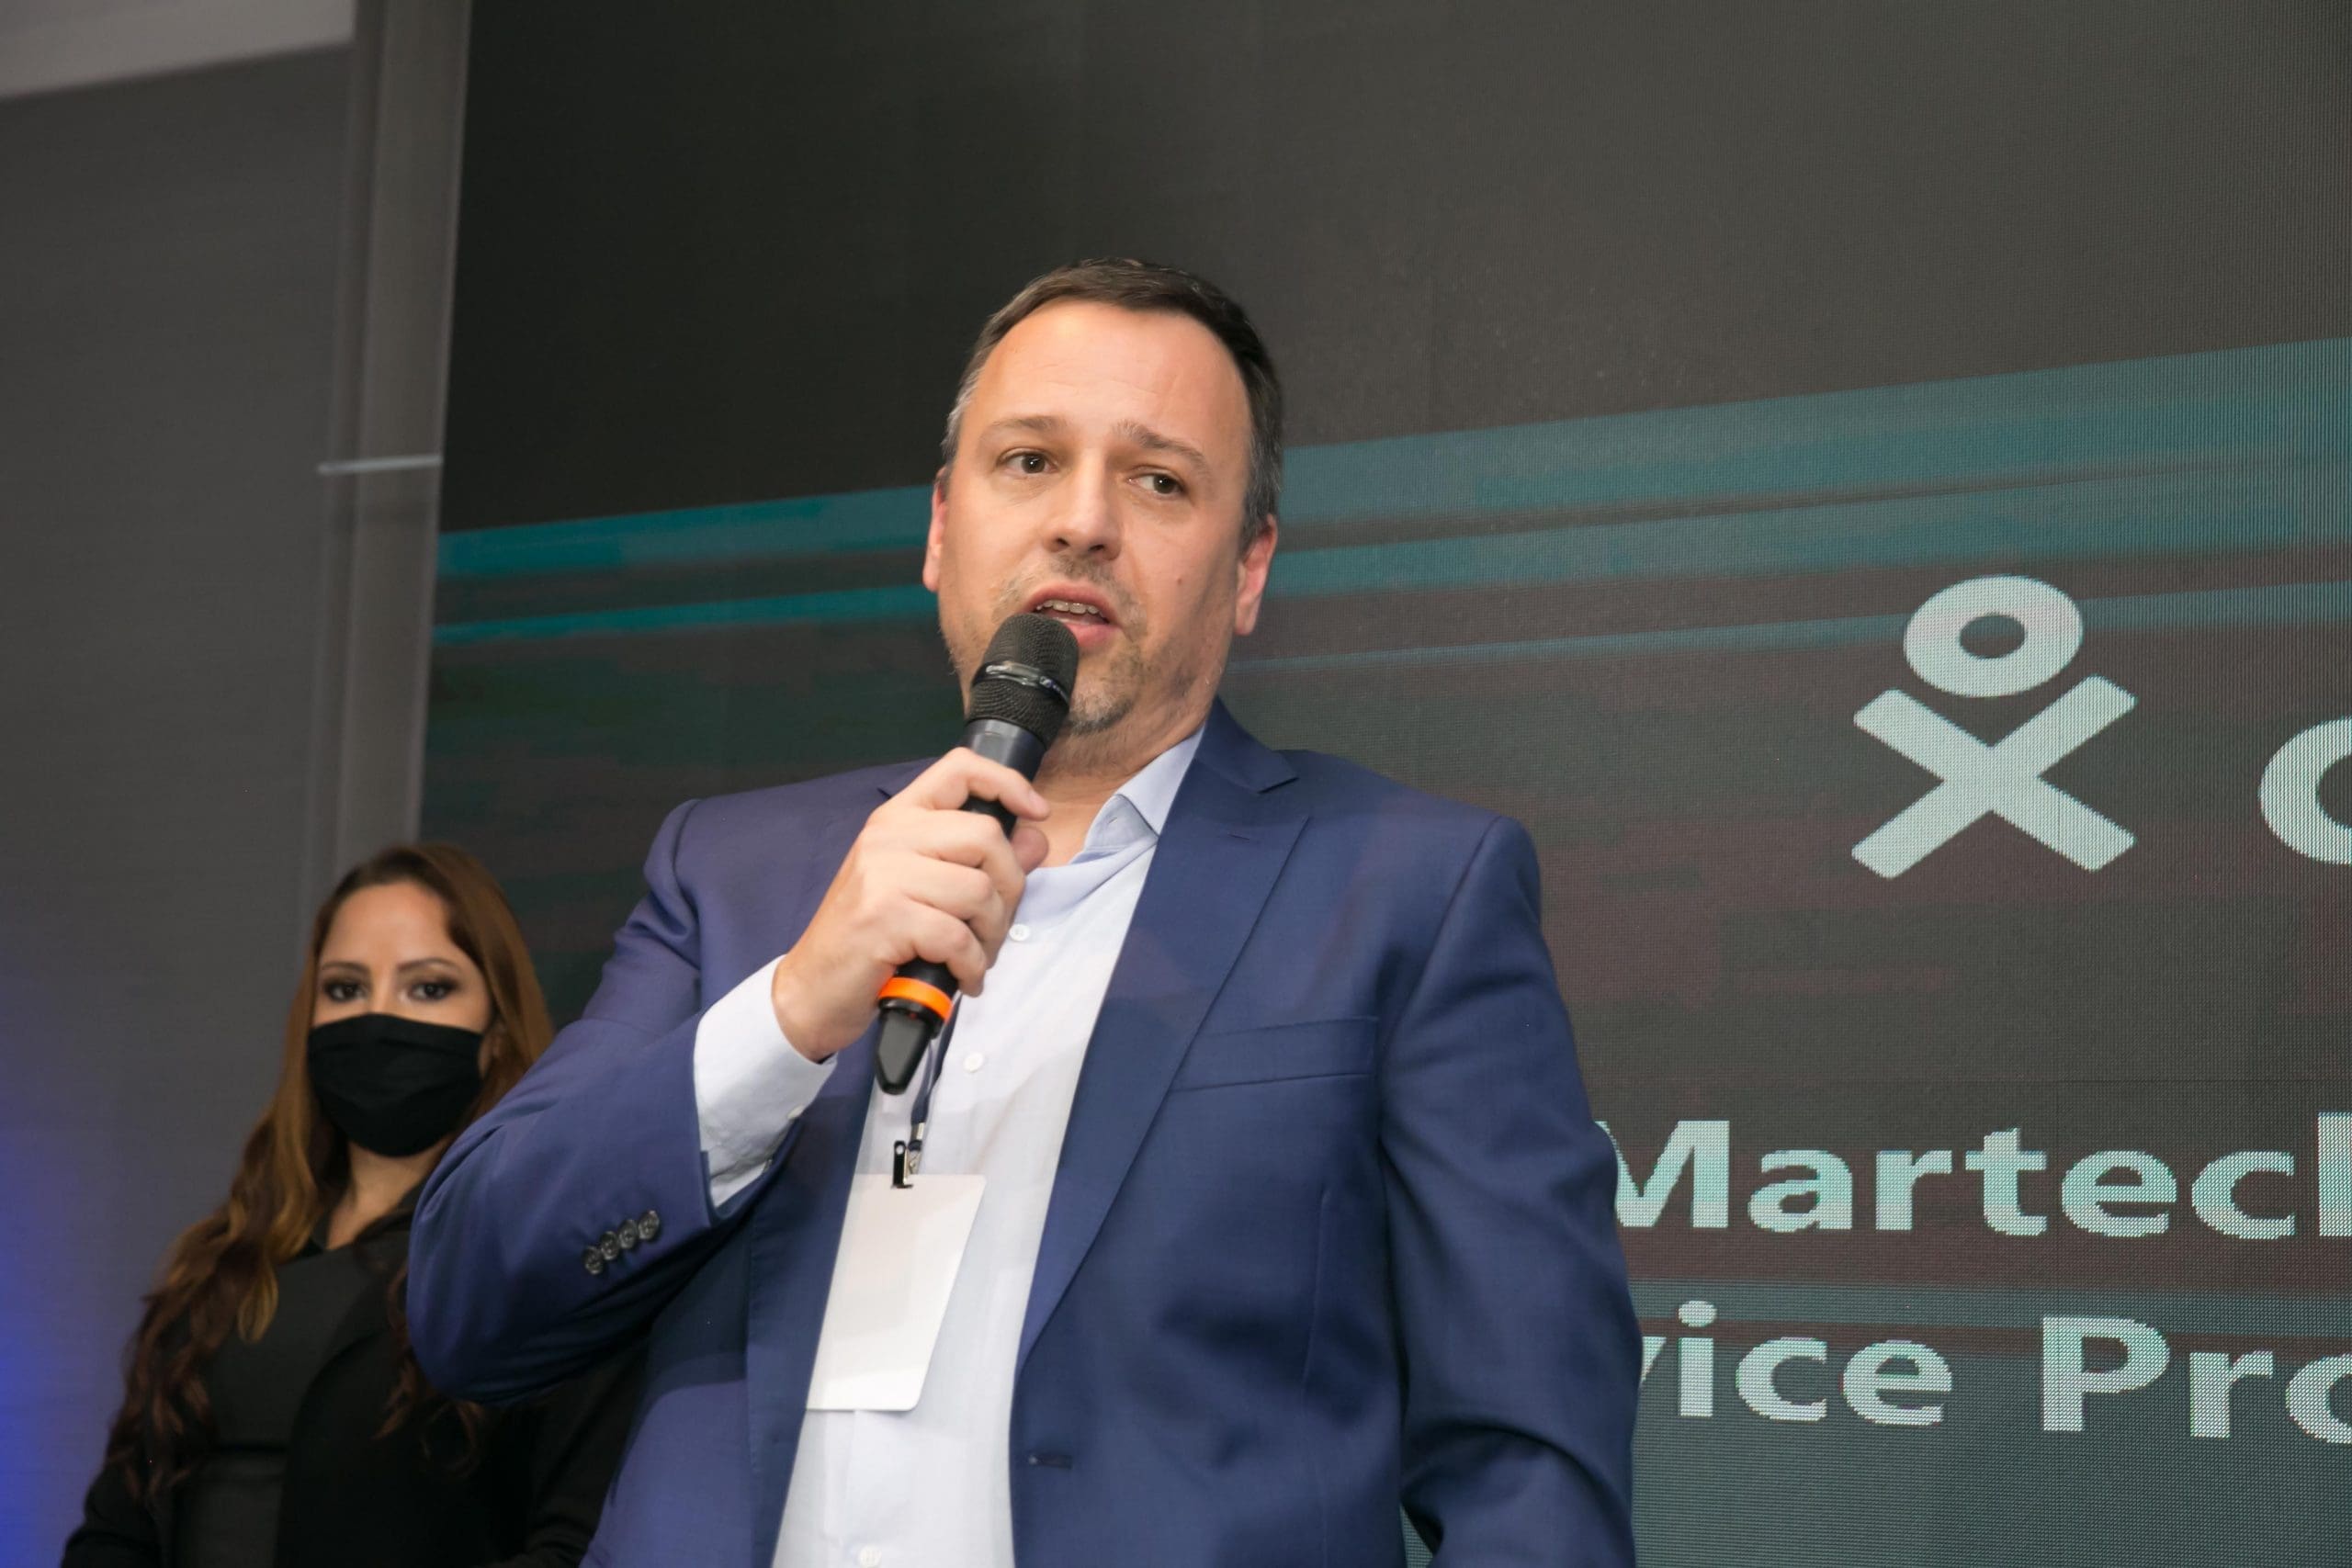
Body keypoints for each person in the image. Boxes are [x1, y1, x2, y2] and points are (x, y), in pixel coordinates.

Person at [409, 259, 1639, 1566]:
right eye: (1030, 461)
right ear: (941, 529)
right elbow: (470, 1303)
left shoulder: (1410, 890)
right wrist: (791, 1010)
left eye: (1158, 481)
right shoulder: (731, 872)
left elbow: (1530, 1462)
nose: (1083, 522)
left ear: (1248, 568)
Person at [64, 844, 639, 1568]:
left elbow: (575, 1542)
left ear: (496, 1031)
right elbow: (116, 1532)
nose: (378, 1017)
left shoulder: (551, 1260)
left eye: (427, 987)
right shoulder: (220, 1262)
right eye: (345, 988)